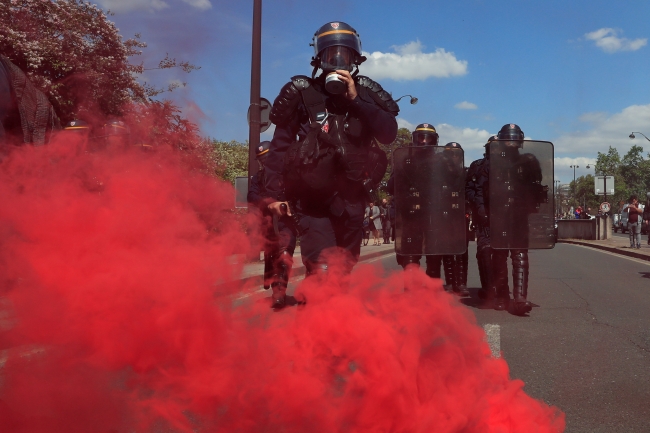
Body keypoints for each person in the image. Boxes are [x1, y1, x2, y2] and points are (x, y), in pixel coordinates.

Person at [265, 21, 398, 277]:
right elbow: (279, 148)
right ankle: (317, 313)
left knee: (342, 268)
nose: (337, 61)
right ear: (318, 59)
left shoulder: (367, 94)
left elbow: (388, 134)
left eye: (344, 55)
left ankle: (333, 316)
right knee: (322, 268)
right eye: (330, 55)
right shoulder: (301, 94)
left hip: (352, 199)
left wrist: (356, 100)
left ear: (355, 59)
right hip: (311, 198)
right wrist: (274, 195)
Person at [467, 124, 547, 315]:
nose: (511, 145)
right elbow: (479, 190)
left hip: (518, 214)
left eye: (514, 140)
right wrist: (482, 212)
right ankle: (502, 296)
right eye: (507, 141)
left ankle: (520, 298)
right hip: (497, 215)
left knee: (520, 254)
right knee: (500, 255)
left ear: (519, 142)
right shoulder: (489, 164)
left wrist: (533, 205)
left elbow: (536, 186)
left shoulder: (529, 162)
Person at [390, 124, 464, 291]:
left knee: (434, 254)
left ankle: (432, 291)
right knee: (410, 254)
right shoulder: (405, 159)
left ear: (434, 140)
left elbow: (455, 183)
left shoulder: (442, 161)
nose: (424, 141)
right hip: (411, 215)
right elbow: (391, 186)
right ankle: (411, 291)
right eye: (420, 137)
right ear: (415, 139)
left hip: (434, 214)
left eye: (428, 138)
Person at [247, 141, 296, 308]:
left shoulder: (288, 175)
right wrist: (268, 204)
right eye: (262, 160)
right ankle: (276, 287)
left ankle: (279, 293)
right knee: (272, 256)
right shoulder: (258, 178)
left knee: (284, 256)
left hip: (286, 222)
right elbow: (251, 196)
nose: (265, 163)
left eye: (268, 158)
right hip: (267, 224)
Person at [465, 135, 497, 297]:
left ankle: (501, 290)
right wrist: (478, 206)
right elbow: (468, 189)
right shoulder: (477, 166)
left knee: (501, 253)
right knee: (484, 251)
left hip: (505, 216)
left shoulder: (512, 165)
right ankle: (488, 288)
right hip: (483, 215)